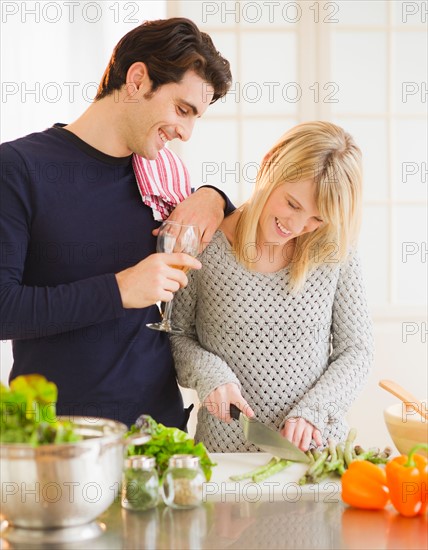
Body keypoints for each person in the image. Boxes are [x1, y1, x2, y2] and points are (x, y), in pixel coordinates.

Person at [0, 18, 234, 429]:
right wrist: (119, 290)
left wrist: (215, 197)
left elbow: (248, 234)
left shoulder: (161, 180)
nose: (186, 132)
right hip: (57, 438)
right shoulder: (19, 168)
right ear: (138, 79)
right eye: (182, 109)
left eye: (196, 117)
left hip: (158, 434)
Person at [171, 121, 374, 452]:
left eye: (316, 218)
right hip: (225, 453)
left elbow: (357, 350)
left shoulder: (336, 250)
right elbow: (176, 334)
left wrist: (314, 412)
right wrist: (210, 374)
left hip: (315, 454)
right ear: (270, 164)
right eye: (292, 204)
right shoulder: (207, 241)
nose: (296, 226)